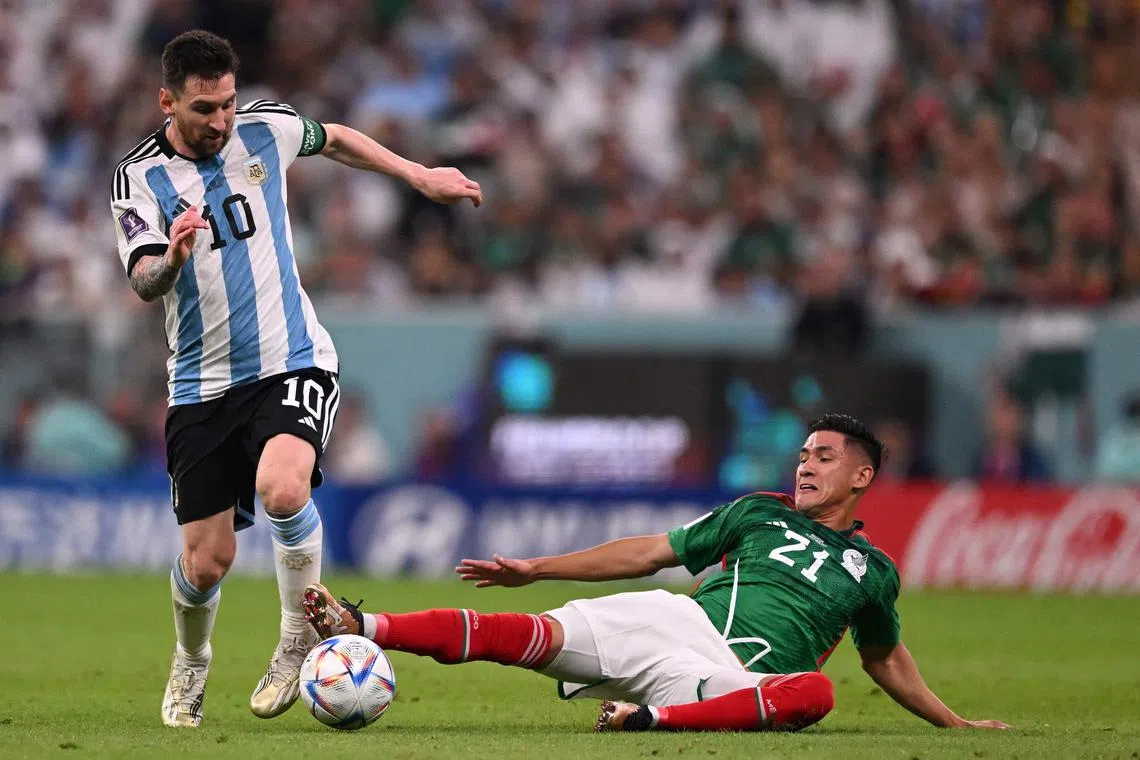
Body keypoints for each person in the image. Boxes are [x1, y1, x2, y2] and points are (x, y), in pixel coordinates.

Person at [110, 30, 481, 728]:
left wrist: (418, 175)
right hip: (200, 386)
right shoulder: (137, 179)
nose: (220, 121)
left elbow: (334, 137)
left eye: (226, 103)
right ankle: (191, 662)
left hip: (294, 358)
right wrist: (175, 259)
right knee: (206, 564)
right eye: (202, 109)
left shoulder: (266, 129)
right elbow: (142, 279)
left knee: (282, 488)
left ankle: (297, 636)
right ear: (167, 102)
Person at [303, 413, 1008, 733]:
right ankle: (361, 624)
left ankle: (653, 720)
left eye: (823, 456)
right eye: (802, 454)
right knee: (528, 634)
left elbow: (884, 658)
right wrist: (537, 568)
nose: (805, 464)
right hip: (679, 619)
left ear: (863, 474)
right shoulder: (760, 512)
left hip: (733, 680)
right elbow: (649, 552)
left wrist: (955, 722)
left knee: (816, 694)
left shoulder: (873, 570)